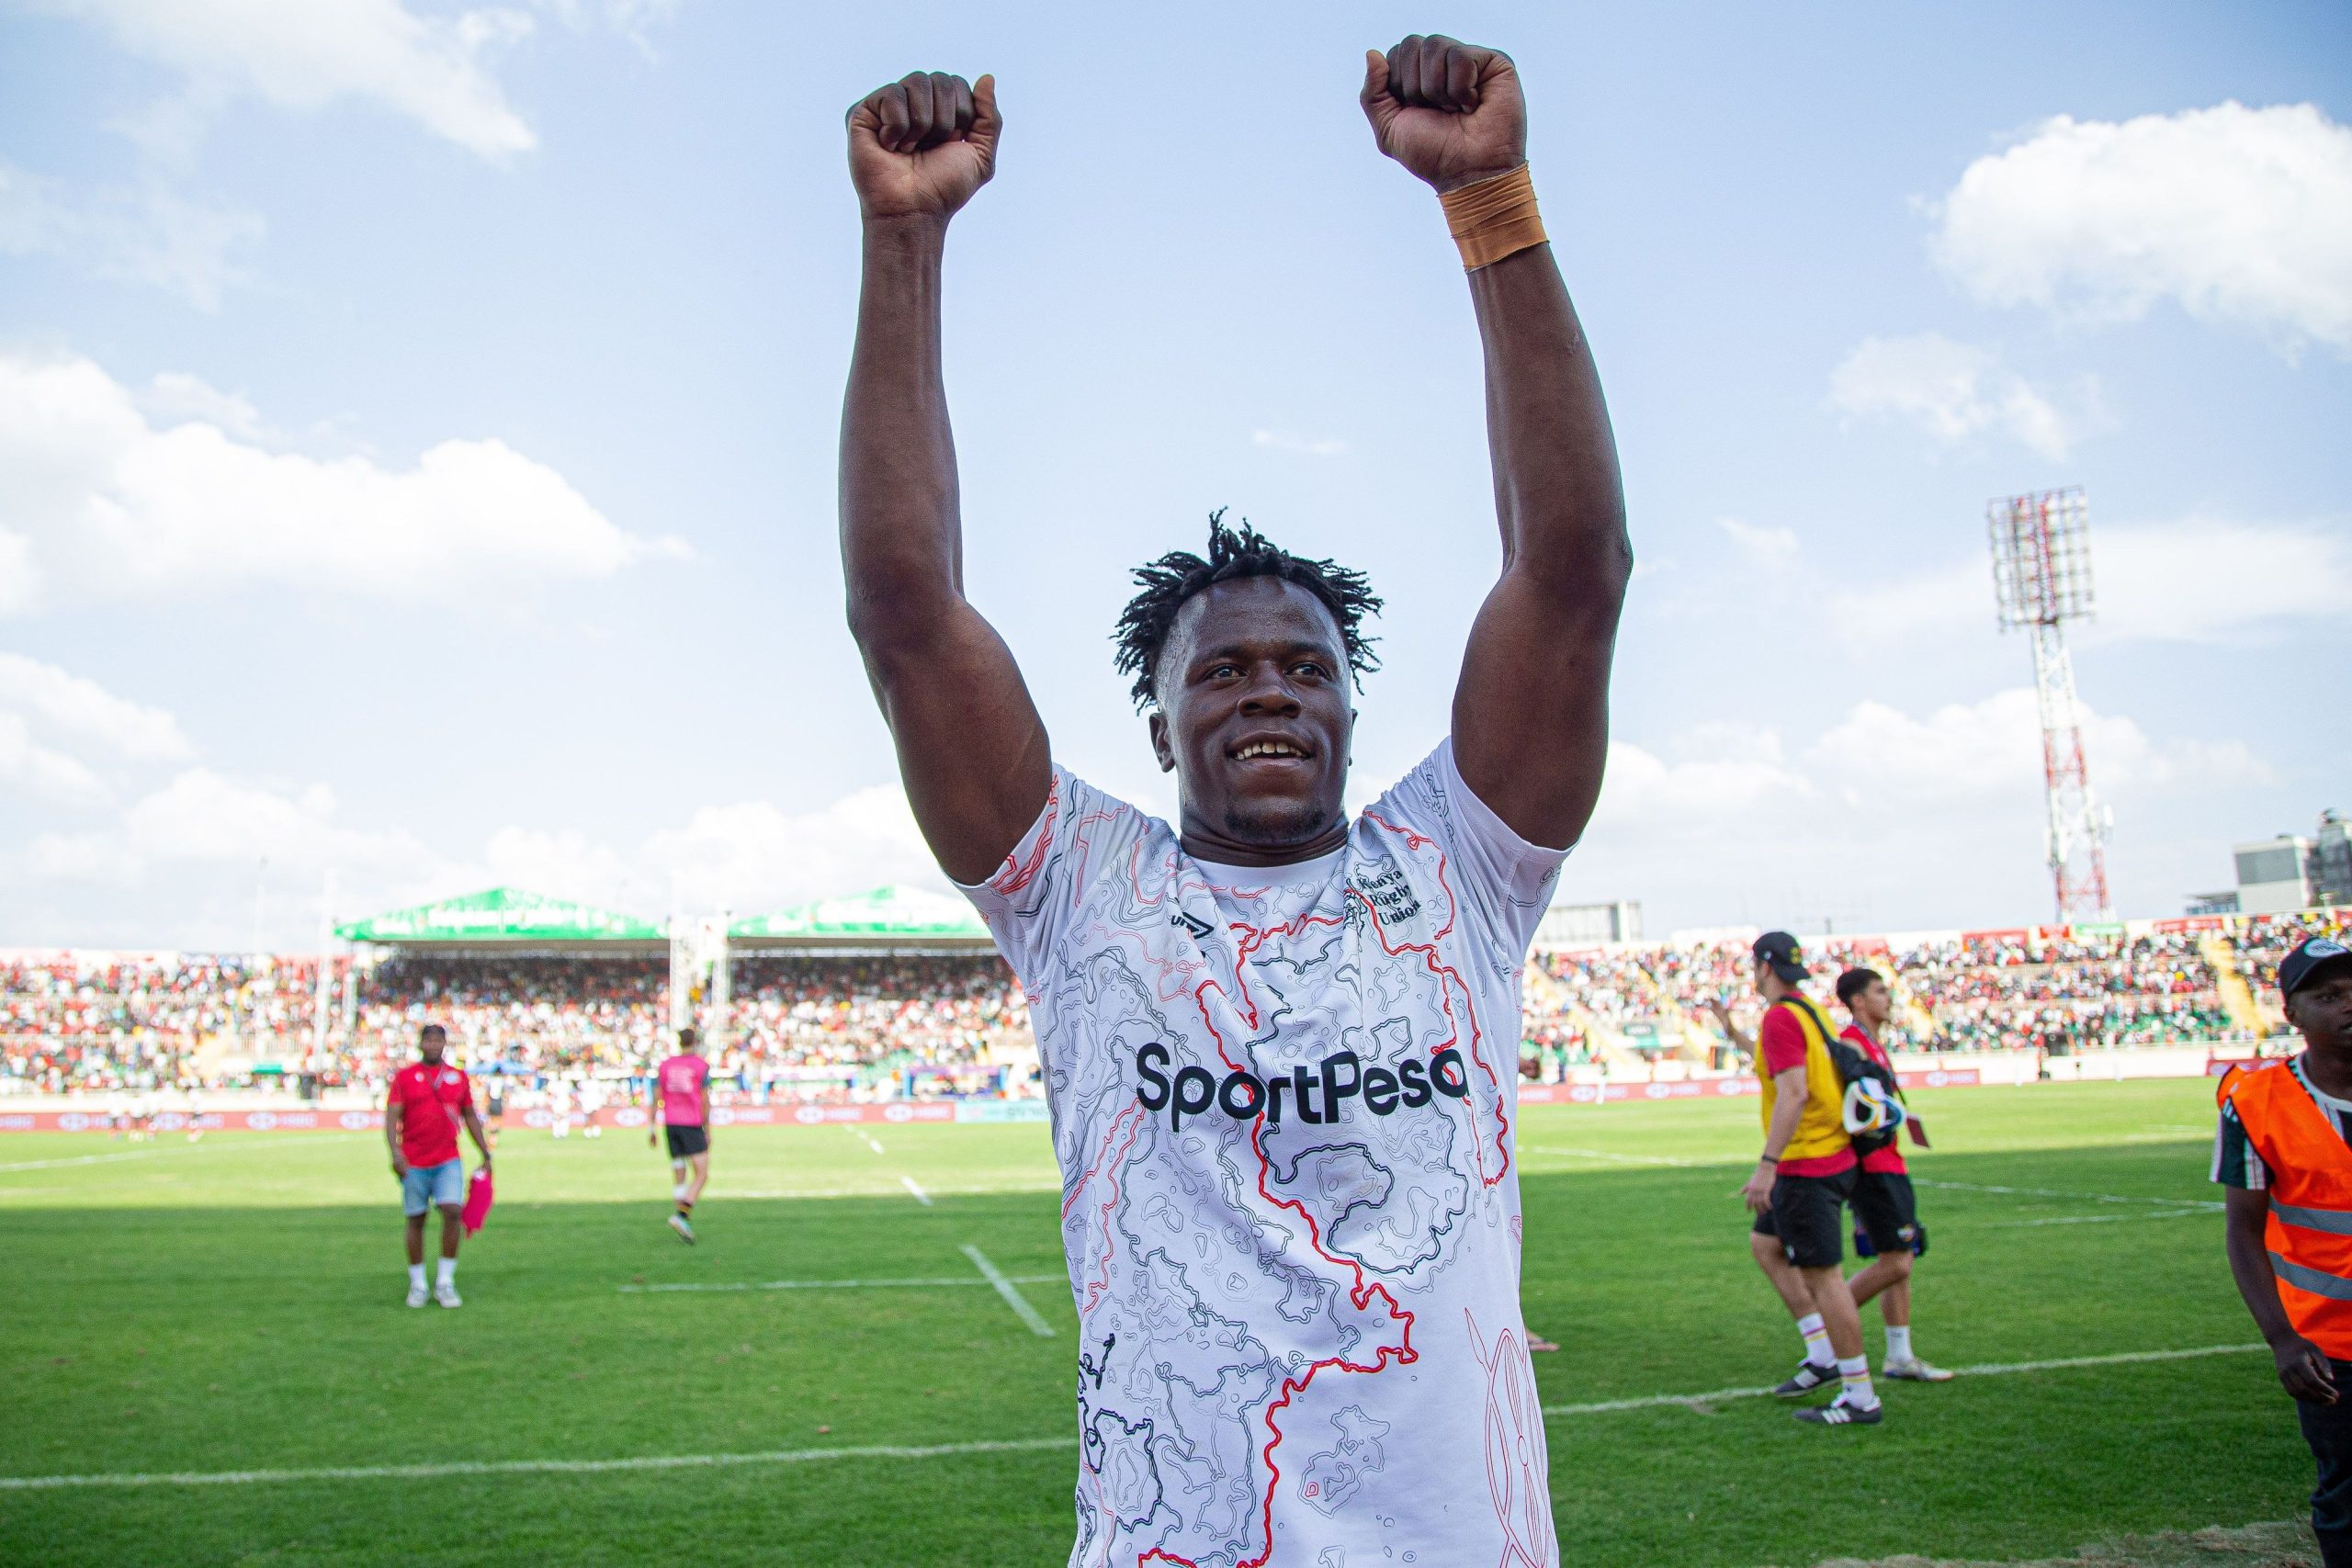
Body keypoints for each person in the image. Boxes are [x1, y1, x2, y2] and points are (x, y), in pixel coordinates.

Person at [840, 34, 1626, 1564]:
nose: (1269, 687)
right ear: (1158, 724)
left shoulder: (1461, 861)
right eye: (1222, 671)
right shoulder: (1078, 888)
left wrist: (1493, 201)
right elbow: (906, 613)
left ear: (1350, 706)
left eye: (1306, 667)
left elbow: (1573, 571)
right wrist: (902, 239)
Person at [1708, 932, 1883, 1426]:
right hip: (1825, 1157)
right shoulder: (1806, 1011)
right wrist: (1730, 1030)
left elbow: (1793, 1092)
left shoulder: (1783, 1017)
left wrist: (1767, 1166)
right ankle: (1823, 1354)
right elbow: (1772, 1063)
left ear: (1764, 967)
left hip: (1808, 1164)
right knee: (1765, 1246)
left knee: (1825, 1280)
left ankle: (1860, 1395)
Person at [2217, 935, 2352, 1566]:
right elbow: (2244, 1231)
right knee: (2346, 1497)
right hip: (2330, 1349)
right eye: (2328, 995)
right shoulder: (2256, 1101)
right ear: (2291, 1013)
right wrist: (2281, 1338)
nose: (2348, 1006)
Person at [1833, 966, 1951, 1382]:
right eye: (1880, 992)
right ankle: (1828, 1325)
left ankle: (1900, 1356)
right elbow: (1857, 1111)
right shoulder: (1852, 1044)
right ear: (1859, 1001)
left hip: (1888, 1164)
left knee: (1900, 1258)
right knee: (1897, 1263)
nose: (1890, 999)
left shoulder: (1872, 1043)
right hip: (1873, 1170)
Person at [384, 1023, 491, 1309]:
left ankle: (445, 1281)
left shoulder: (457, 1077)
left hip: (447, 1159)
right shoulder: (405, 1078)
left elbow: (469, 1116)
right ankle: (418, 1284)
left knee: (453, 1211)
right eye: (428, 1040)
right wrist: (395, 1153)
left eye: (438, 1040)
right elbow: (391, 1117)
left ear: (444, 1044)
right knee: (416, 1219)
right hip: (414, 1160)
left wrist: (485, 1152)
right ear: (420, 1044)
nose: (433, 1045)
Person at [650, 1028, 711, 1243]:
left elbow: (656, 1096)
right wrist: (707, 1129)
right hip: (691, 1123)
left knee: (679, 1172)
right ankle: (681, 1216)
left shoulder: (666, 1065)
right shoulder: (700, 1066)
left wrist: (651, 1126)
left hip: (670, 1123)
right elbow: (704, 1100)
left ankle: (683, 1223)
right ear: (694, 1042)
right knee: (702, 1174)